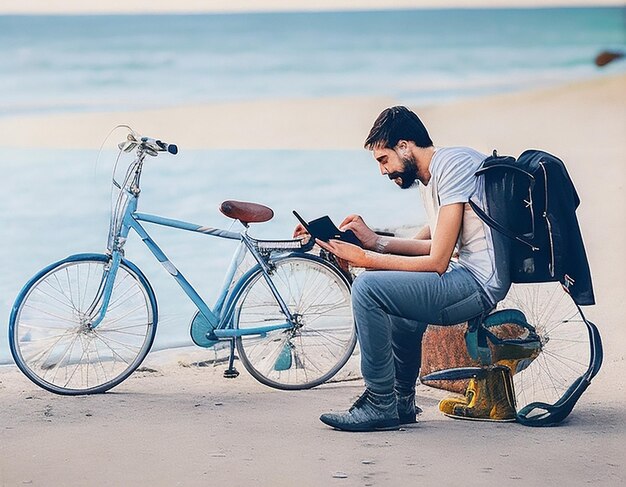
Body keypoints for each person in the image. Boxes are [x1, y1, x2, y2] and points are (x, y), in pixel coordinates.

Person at [298, 106, 511, 432]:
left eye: (384, 160)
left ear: (405, 145)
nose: (383, 172)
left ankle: (379, 402)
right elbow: (433, 246)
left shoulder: (452, 166)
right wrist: (373, 242)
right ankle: (400, 400)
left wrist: (366, 261)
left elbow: (438, 261)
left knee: (368, 287)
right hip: (464, 275)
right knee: (395, 299)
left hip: (477, 283)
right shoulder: (433, 177)